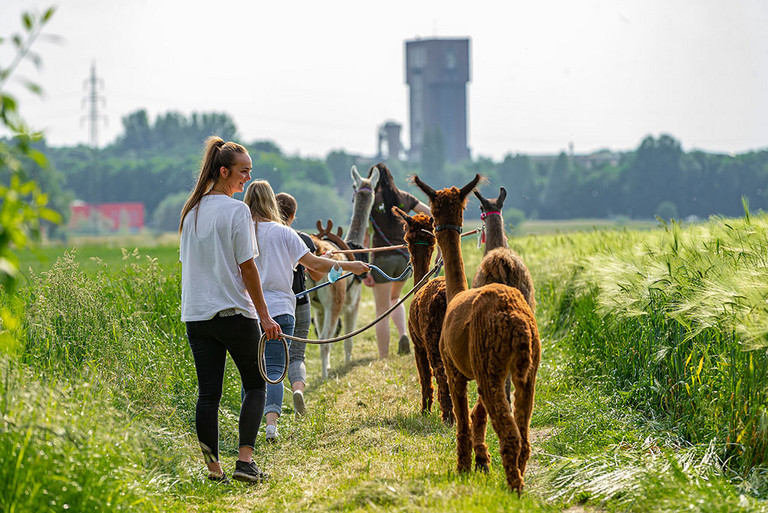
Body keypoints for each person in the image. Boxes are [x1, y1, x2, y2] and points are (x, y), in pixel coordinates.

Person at [179, 136, 280, 484]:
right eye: (242, 172)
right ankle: (245, 462)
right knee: (255, 385)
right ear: (224, 171)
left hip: (196, 316)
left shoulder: (190, 211)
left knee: (208, 393)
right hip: (234, 314)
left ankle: (213, 470)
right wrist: (265, 316)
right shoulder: (237, 211)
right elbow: (248, 268)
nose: (246, 179)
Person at [243, 181, 369, 441]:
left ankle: (249, 428)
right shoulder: (286, 233)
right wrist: (350, 265)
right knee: (276, 368)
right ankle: (271, 427)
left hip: (247, 310)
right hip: (281, 309)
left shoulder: (239, 231)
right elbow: (315, 265)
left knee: (252, 371)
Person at [362, 162, 432, 358]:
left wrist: (364, 268)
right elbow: (430, 214)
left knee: (382, 309)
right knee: (395, 298)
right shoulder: (405, 197)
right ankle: (403, 334)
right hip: (403, 258)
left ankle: (383, 356)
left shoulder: (372, 201)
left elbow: (365, 238)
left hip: (381, 259)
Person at [275, 192, 322, 416]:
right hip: (300, 300)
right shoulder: (303, 239)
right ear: (293, 215)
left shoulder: (262, 234)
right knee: (297, 355)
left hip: (272, 303)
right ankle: (298, 390)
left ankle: (270, 408)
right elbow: (318, 275)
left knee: (271, 356)